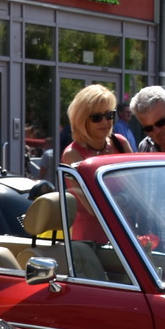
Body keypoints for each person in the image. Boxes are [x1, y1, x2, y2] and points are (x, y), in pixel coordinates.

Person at [59, 84, 129, 242]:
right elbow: (94, 207)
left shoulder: (120, 144)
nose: (105, 122)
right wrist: (126, 199)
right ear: (82, 120)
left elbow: (139, 191)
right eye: (97, 117)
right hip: (91, 242)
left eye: (109, 115)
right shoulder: (73, 155)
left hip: (125, 237)